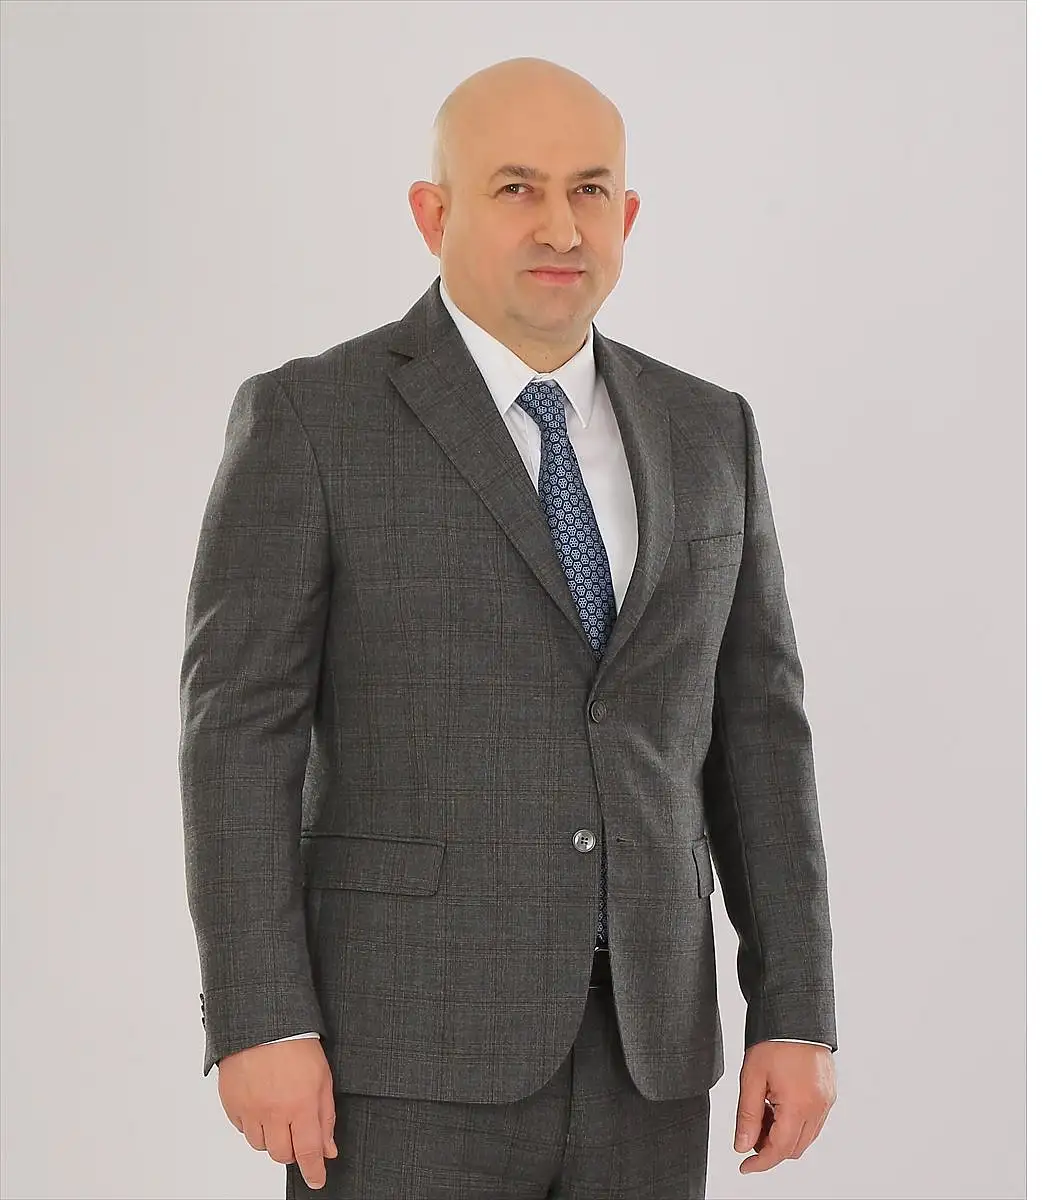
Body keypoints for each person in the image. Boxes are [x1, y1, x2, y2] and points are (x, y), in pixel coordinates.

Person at [179, 55, 837, 1199]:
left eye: (589, 190)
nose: (559, 226)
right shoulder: (311, 418)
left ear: (627, 215)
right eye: (515, 188)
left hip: (649, 1056)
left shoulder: (708, 430)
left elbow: (759, 738)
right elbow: (238, 735)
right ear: (432, 215)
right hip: (398, 1053)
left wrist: (795, 1011)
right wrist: (260, 1017)